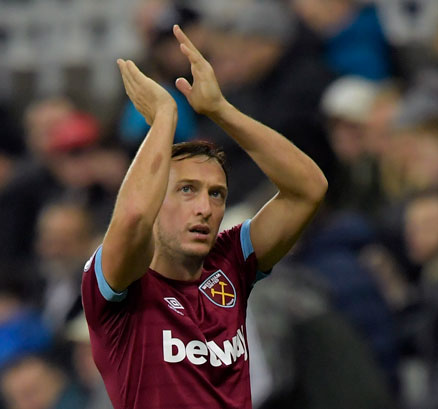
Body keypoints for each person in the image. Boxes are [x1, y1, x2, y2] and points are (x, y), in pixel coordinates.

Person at [80, 25, 328, 409]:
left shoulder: (230, 264)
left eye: (217, 194)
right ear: (155, 200)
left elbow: (308, 189)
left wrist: (220, 110)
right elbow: (131, 218)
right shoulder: (121, 284)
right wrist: (165, 115)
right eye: (186, 190)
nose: (205, 207)